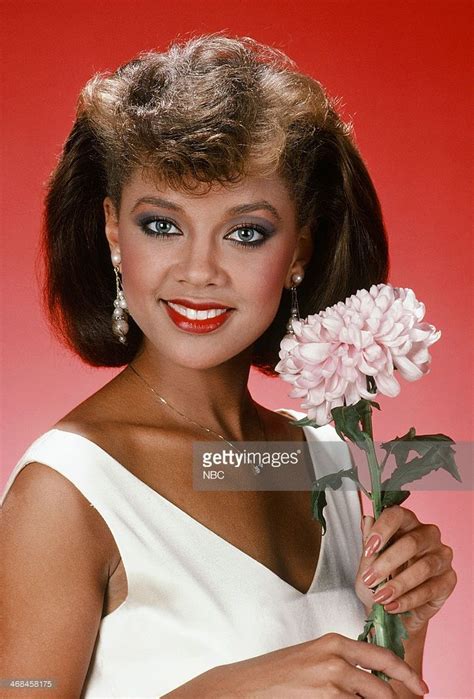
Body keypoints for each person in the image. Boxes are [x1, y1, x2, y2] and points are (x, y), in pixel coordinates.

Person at [0, 34, 456, 698]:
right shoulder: (64, 493)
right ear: (111, 230)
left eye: (245, 232)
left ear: (298, 246)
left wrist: (400, 630)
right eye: (161, 224)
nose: (199, 271)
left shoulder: (326, 459)